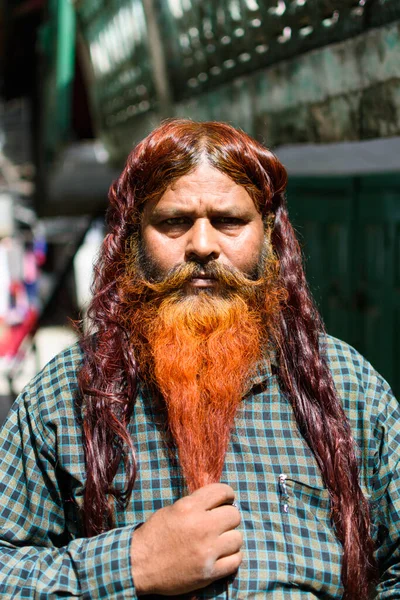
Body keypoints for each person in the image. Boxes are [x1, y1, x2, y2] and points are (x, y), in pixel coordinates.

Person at [0, 119, 399, 600]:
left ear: (268, 235)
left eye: (229, 221)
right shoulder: (69, 395)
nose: (203, 245)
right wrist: (131, 564)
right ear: (133, 239)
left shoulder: (348, 389)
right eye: (173, 222)